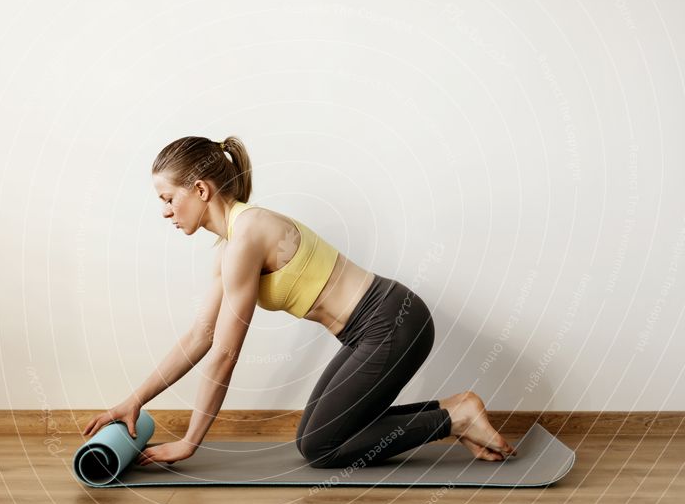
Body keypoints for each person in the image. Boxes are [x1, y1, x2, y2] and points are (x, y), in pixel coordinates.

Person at [82, 135, 517, 468]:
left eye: (168, 198)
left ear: (199, 189)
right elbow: (201, 336)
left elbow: (226, 353)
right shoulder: (232, 246)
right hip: (372, 329)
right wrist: (136, 398)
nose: (165, 212)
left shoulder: (246, 239)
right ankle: (452, 411)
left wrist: (191, 441)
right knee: (317, 436)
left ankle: (455, 416)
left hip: (392, 322)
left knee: (320, 447)